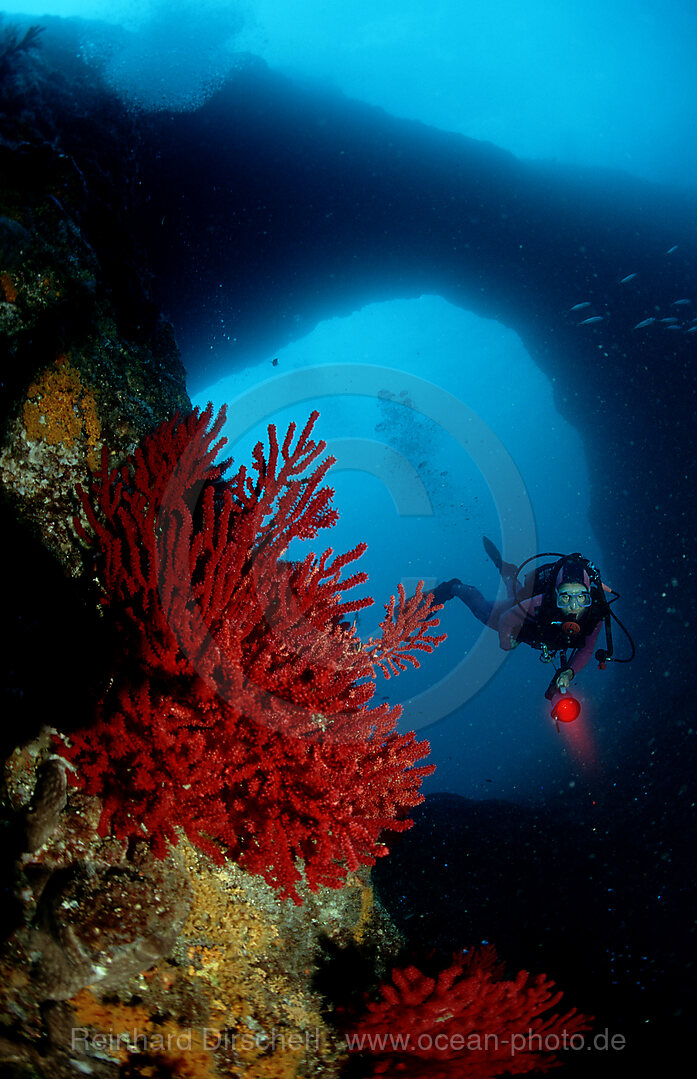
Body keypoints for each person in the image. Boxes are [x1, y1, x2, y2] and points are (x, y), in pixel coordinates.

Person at [432, 540, 604, 699]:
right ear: (556, 595)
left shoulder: (594, 615)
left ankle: (509, 574)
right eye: (565, 598)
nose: (574, 607)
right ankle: (453, 587)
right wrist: (505, 642)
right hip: (522, 623)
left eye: (582, 598)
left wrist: (569, 672)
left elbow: (587, 650)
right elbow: (507, 619)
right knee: (483, 612)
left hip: (532, 625)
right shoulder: (541, 602)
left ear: (589, 595)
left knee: (516, 595)